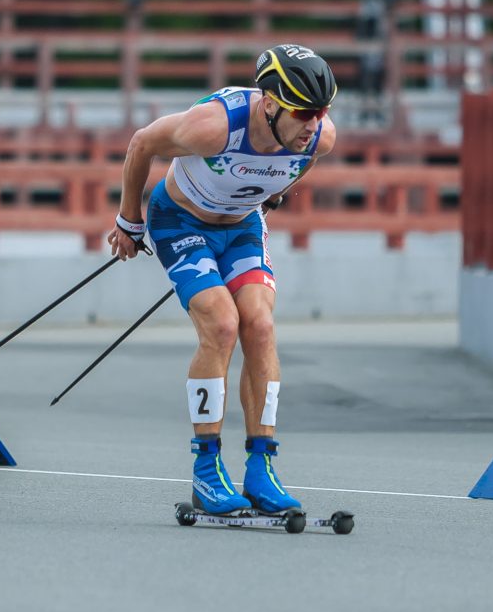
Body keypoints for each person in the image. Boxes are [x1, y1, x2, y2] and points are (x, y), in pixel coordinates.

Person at [107, 44, 337, 515]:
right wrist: (129, 221)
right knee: (222, 324)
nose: (313, 124)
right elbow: (141, 144)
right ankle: (207, 469)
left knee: (261, 326)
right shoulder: (213, 127)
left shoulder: (319, 138)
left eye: (321, 112)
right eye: (303, 112)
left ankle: (261, 467)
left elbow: (303, 162)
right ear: (269, 104)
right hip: (181, 222)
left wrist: (275, 192)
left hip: (241, 226)